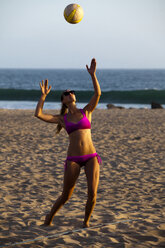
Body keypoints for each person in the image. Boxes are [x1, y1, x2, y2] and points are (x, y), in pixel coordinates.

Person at [35, 58, 101, 228]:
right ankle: (48, 219)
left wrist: (93, 75)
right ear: (63, 100)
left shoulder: (87, 111)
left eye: (71, 91)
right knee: (66, 195)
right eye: (66, 93)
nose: (69, 92)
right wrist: (43, 97)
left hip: (91, 156)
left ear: (74, 96)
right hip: (73, 159)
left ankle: (85, 222)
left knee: (92, 193)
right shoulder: (62, 119)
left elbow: (97, 94)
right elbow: (39, 115)